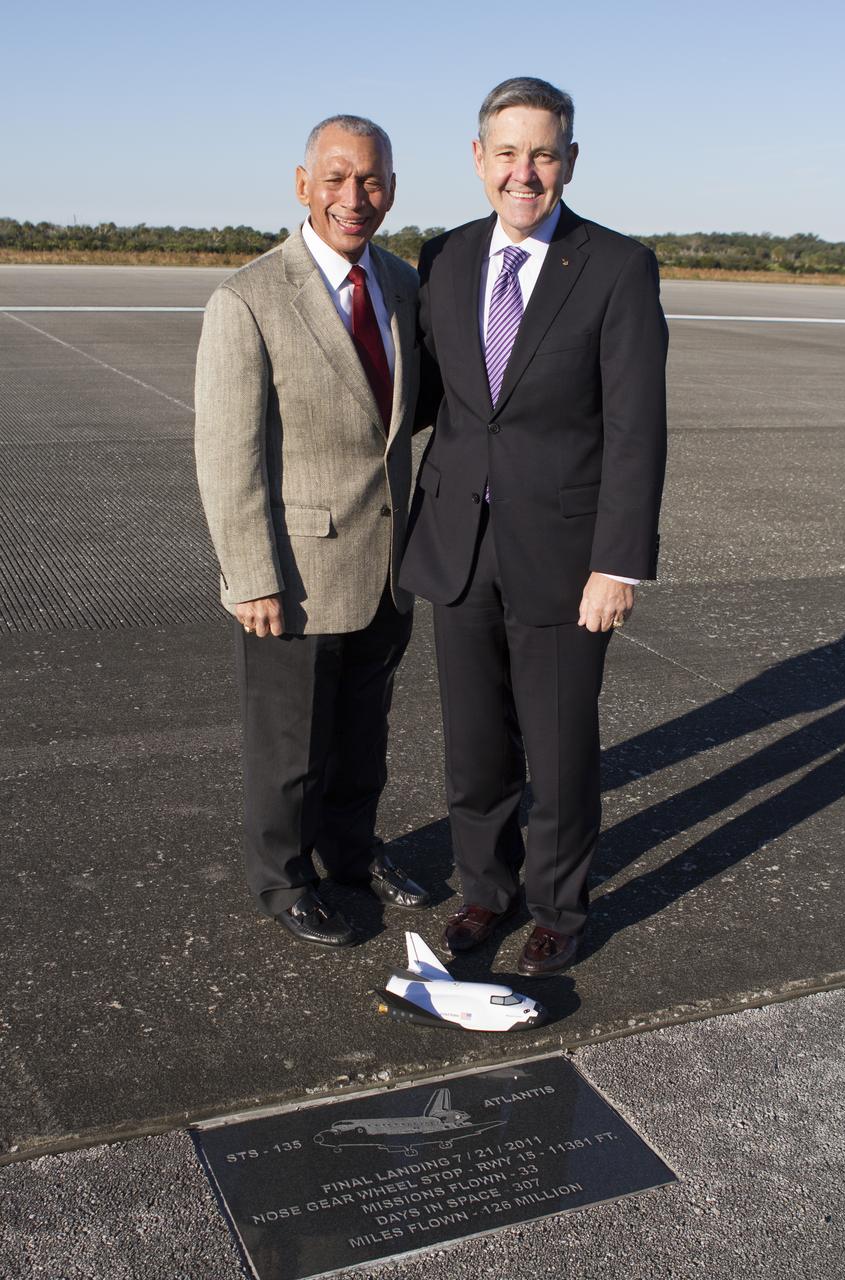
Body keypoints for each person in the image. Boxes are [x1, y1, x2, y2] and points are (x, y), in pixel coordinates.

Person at [400, 77, 667, 975]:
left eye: (543, 154)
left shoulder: (616, 267)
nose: (524, 172)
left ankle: (558, 904)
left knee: (557, 750)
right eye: (507, 153)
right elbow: (428, 398)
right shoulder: (443, 257)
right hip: (457, 545)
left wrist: (617, 564)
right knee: (474, 746)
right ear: (478, 159)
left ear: (570, 162)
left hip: (564, 553)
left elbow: (635, 427)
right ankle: (486, 889)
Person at [195, 115, 428, 949]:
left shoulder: (403, 285)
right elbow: (227, 454)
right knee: (289, 747)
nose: (352, 196)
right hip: (294, 573)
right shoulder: (248, 299)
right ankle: (283, 878)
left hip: (386, 564)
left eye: (370, 180)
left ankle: (352, 854)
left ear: (391, 191)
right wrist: (250, 575)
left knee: (364, 739)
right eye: (334, 178)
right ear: (302, 185)